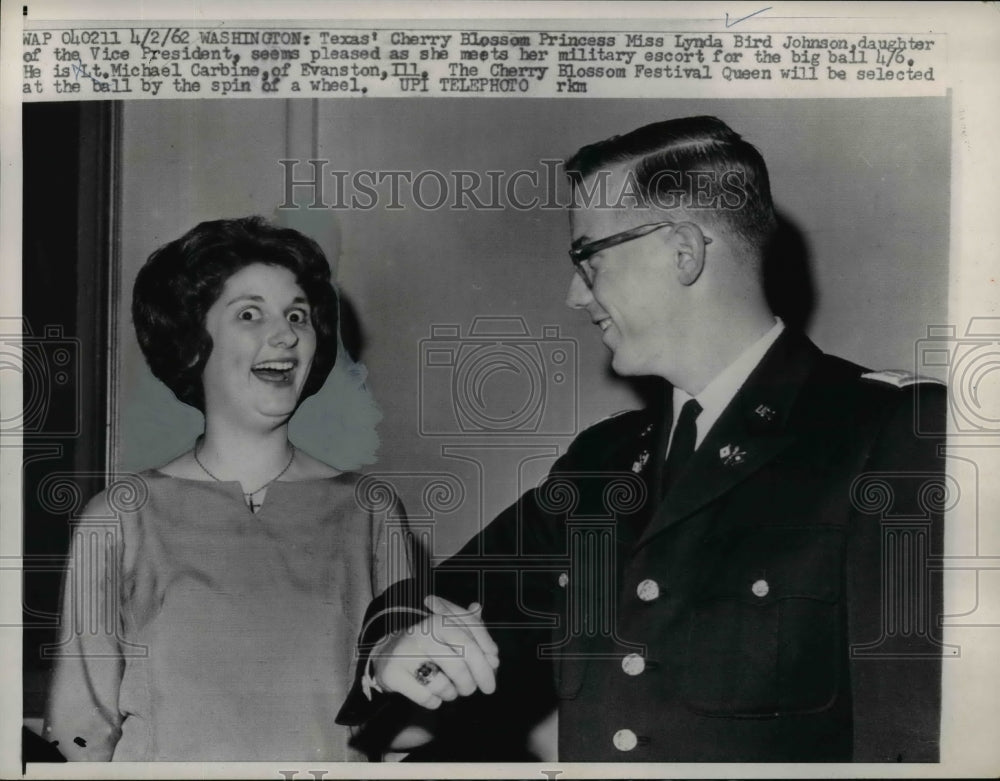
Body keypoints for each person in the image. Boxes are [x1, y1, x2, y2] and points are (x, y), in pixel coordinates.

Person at [336, 116, 948, 762]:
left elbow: (907, 742)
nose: (576, 295)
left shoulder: (887, 434)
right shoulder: (601, 464)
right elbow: (441, 595)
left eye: (588, 258)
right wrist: (391, 648)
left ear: (683, 251)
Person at [43, 216, 416, 760]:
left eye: (297, 315)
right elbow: (80, 734)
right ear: (193, 343)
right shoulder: (121, 519)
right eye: (249, 313)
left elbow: (402, 724)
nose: (286, 334)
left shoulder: (371, 513)